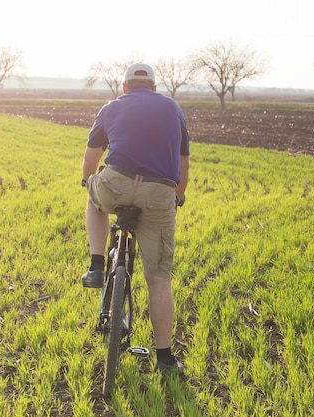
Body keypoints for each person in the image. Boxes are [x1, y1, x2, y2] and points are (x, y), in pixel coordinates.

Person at [81, 63, 190, 374]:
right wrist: (177, 197)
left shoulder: (112, 107)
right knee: (159, 280)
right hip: (159, 194)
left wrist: (88, 181)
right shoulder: (172, 108)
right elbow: (183, 165)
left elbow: (91, 159)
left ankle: (97, 265)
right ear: (155, 89)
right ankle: (165, 359)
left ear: (125, 87)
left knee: (93, 197)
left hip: (116, 184)